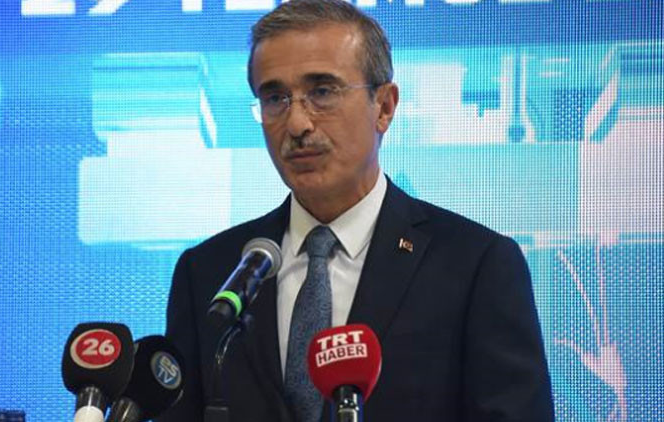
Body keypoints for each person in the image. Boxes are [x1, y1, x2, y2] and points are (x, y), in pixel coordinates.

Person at [163, 0, 554, 421]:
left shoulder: (474, 265)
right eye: (275, 98)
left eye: (322, 92)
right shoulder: (209, 272)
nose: (296, 124)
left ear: (384, 107)